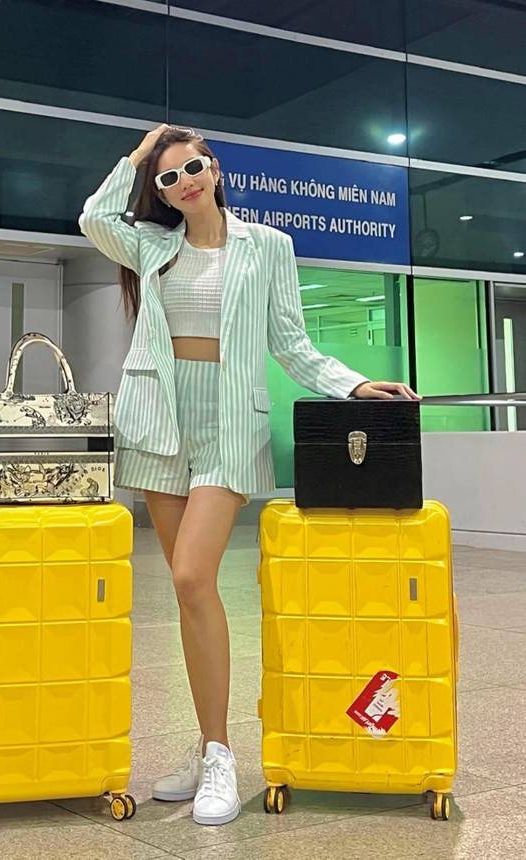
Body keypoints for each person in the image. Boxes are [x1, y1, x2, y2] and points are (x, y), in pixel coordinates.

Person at [79, 124, 419, 826]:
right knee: (190, 596)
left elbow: (290, 343)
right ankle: (210, 745)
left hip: (229, 421)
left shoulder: (268, 246)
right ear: (159, 191)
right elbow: (94, 217)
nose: (184, 182)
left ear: (214, 168)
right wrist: (138, 155)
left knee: (190, 576)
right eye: (168, 178)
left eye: (192, 167)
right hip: (159, 417)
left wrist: (353, 385)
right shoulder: (151, 246)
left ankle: (220, 759)